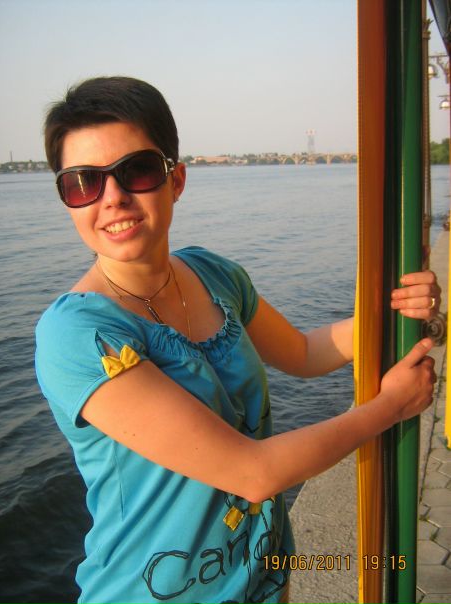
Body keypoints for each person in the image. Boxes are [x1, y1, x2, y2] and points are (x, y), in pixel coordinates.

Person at [35, 76, 440, 604]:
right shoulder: (79, 335)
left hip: (264, 576)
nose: (111, 198)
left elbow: (303, 353)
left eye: (136, 171)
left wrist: (396, 307)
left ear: (176, 180)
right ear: (67, 199)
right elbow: (253, 473)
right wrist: (389, 408)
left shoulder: (214, 274)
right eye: (83, 182)